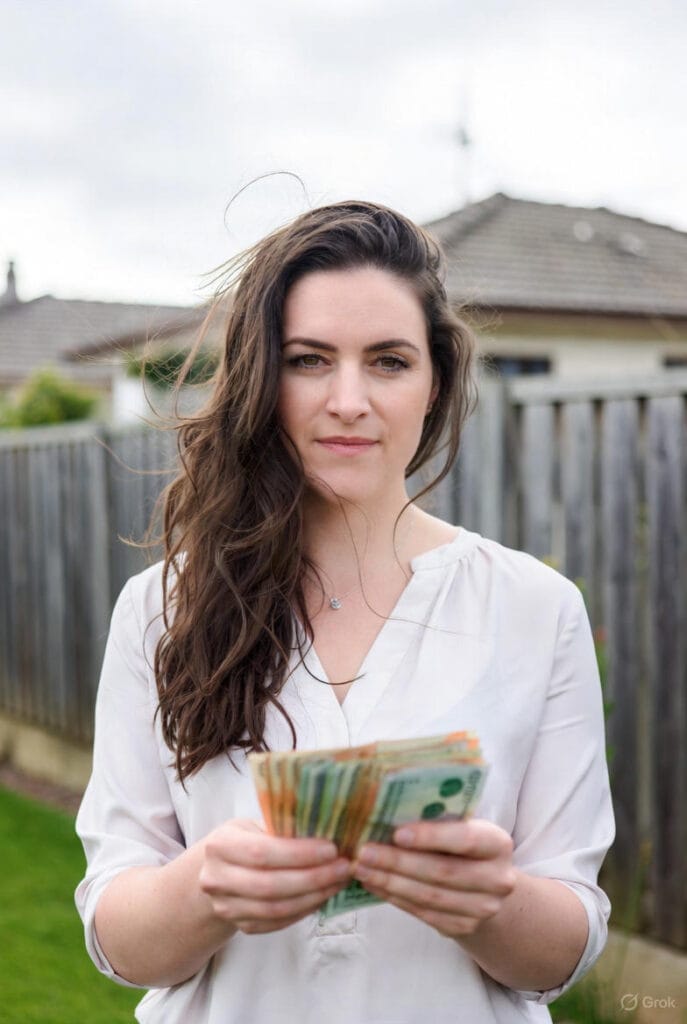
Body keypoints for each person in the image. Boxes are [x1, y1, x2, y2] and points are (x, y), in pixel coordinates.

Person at [75, 199, 615, 1024]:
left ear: (434, 384)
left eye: (389, 361)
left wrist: (489, 901)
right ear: (262, 378)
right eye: (309, 360)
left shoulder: (534, 609)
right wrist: (204, 890)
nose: (349, 399)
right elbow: (121, 941)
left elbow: (564, 949)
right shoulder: (161, 607)